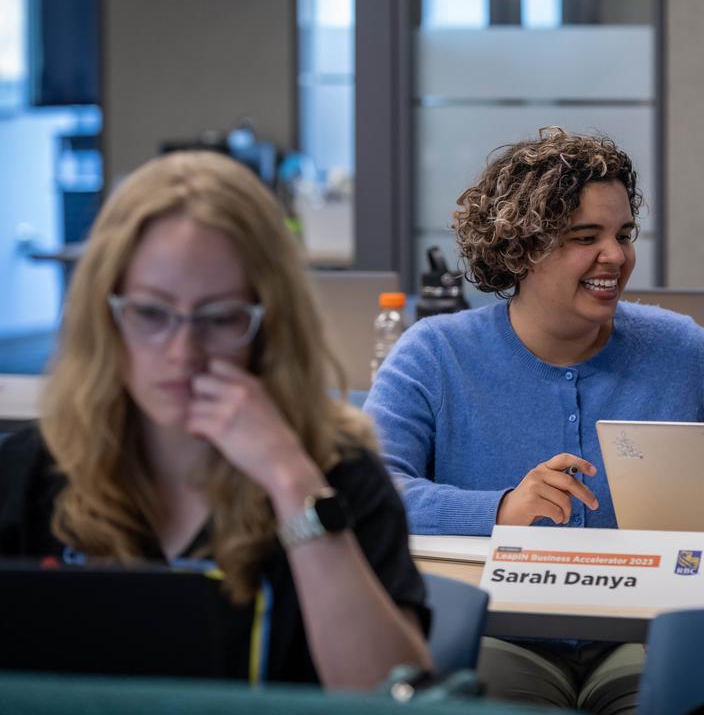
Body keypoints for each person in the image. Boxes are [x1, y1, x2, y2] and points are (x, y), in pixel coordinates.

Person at [365, 127, 704, 713]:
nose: (616, 256)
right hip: (504, 632)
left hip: (645, 632)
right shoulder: (435, 353)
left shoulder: (679, 348)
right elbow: (372, 493)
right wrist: (500, 510)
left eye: (623, 235)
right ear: (520, 250)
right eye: (586, 237)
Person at [0, 151, 431, 688]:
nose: (183, 353)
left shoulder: (338, 474)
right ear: (106, 317)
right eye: (151, 313)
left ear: (271, 326)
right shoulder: (28, 472)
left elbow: (391, 695)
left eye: (222, 318)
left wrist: (289, 480)